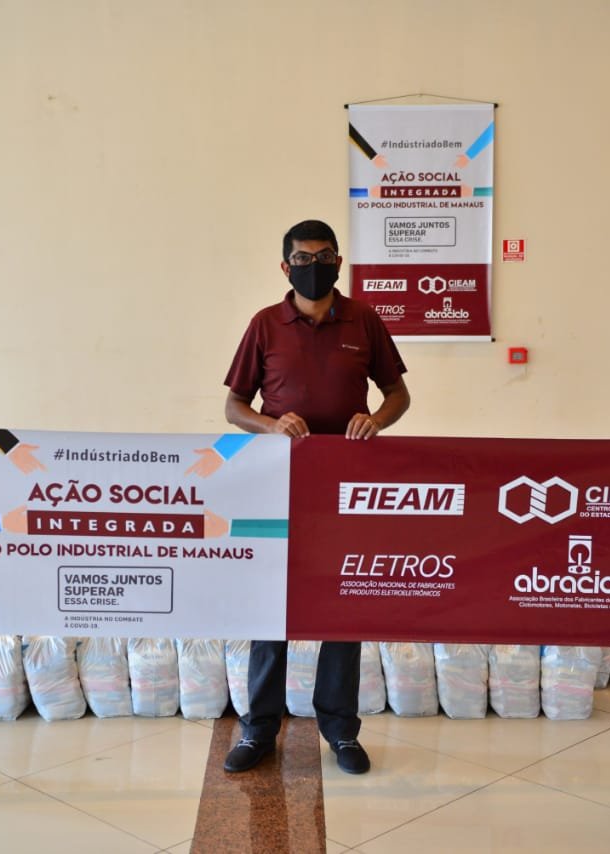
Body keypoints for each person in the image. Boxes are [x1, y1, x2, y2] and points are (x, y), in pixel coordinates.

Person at [221, 219, 411, 775]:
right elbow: (234, 407)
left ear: (339, 262)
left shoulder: (364, 320)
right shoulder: (265, 324)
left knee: (342, 608)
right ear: (286, 267)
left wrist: (376, 420)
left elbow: (398, 394)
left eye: (324, 257)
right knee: (270, 609)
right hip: (276, 488)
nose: (314, 267)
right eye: (303, 259)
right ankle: (259, 730)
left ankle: (341, 732)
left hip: (346, 492)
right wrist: (270, 424)